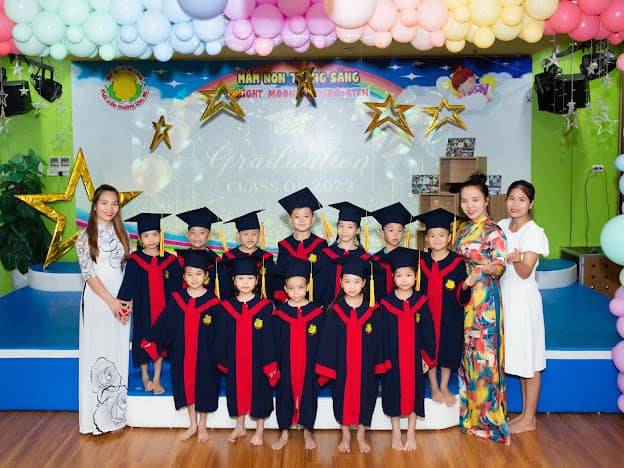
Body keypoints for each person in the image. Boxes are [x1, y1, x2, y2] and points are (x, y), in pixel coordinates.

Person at [453, 173, 509, 444]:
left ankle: (491, 423)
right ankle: (470, 419)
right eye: (465, 201)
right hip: (465, 299)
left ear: (486, 200)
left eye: (475, 200)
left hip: (485, 300)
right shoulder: (463, 229)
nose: (470, 205)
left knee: (486, 359)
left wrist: (481, 270)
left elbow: (500, 266)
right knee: (468, 358)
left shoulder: (493, 231)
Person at [142, 250, 221, 442]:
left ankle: (203, 425)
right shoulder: (177, 299)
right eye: (189, 274)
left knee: (204, 388)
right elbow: (165, 324)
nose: (194, 278)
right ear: (184, 276)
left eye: (198, 274)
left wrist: (221, 355)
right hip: (182, 354)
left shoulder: (213, 302)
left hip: (205, 357)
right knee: (187, 388)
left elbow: (221, 332)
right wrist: (152, 340)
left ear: (206, 276)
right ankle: (192, 424)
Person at [316, 256, 388, 454]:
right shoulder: (335, 311)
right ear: (340, 282)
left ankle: (361, 434)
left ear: (364, 283)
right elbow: (327, 342)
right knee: (341, 396)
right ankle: (346, 434)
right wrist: (328, 368)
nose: (352, 286)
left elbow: (380, 340)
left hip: (366, 366)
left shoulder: (373, 310)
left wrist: (379, 364)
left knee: (367, 397)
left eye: (356, 282)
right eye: (347, 281)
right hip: (343, 366)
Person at [75, 184, 132, 435]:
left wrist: (126, 300)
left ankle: (116, 417)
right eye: (105, 203)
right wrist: (111, 302)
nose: (110, 208)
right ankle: (94, 421)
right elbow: (89, 275)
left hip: (121, 301)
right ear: (95, 206)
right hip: (98, 302)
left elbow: (127, 270)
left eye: (115, 203)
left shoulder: (123, 234)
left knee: (118, 351)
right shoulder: (84, 237)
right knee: (98, 355)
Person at [499, 180, 549, 434]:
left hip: (524, 301)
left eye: (521, 199)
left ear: (531, 204)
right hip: (505, 298)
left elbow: (525, 272)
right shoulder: (501, 226)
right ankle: (523, 415)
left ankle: (530, 418)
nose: (515, 204)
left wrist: (517, 260)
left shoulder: (534, 232)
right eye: (511, 198)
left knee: (530, 358)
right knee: (519, 358)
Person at [216, 254, 279, 446]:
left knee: (260, 393)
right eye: (241, 278)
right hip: (235, 360)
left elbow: (270, 338)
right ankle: (240, 426)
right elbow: (222, 336)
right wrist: (223, 359)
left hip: (258, 361)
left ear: (257, 280)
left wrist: (270, 363)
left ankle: (259, 429)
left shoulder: (265, 307)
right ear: (234, 281)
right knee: (236, 392)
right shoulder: (227, 307)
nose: (245, 282)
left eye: (250, 278)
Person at [117, 212, 182, 394]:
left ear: (161, 235)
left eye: (155, 234)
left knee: (160, 341)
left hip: (164, 310)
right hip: (143, 309)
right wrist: (125, 303)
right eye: (146, 236)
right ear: (139, 238)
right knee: (142, 339)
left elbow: (177, 287)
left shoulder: (170, 260)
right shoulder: (135, 260)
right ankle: (145, 376)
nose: (151, 239)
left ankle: (156, 379)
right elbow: (128, 285)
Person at [379, 247, 435, 452]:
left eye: (409, 275)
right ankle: (396, 432)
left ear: (416, 277)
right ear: (393, 277)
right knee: (392, 393)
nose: (404, 280)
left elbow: (428, 331)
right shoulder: (386, 304)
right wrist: (384, 360)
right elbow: (381, 336)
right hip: (393, 359)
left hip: (414, 358)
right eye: (399, 275)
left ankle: (411, 432)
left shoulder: (421, 301)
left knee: (415, 393)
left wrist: (426, 357)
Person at [416, 208, 473, 407]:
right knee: (428, 348)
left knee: (448, 349)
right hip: (427, 316)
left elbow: (462, 292)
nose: (437, 239)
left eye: (441, 235)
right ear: (426, 239)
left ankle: (444, 385)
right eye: (432, 235)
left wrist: (465, 286)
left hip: (450, 316)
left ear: (449, 238)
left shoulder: (457, 262)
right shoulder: (421, 262)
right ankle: (433, 385)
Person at [271, 259, 324, 451]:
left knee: (309, 396)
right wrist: (274, 366)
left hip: (309, 364)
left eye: (300, 287)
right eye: (291, 288)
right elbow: (273, 343)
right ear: (285, 288)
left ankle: (308, 431)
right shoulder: (280, 314)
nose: (296, 292)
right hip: (286, 364)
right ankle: (284, 431)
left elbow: (323, 342)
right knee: (284, 395)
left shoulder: (316, 313)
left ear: (307, 287)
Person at [275, 187, 328, 302]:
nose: (302, 220)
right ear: (290, 220)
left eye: (306, 216)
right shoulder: (284, 245)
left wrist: (320, 300)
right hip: (289, 299)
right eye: (297, 217)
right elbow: (280, 274)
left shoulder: (321, 244)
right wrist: (281, 298)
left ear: (313, 219)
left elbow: (324, 275)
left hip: (314, 299)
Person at [317, 202, 371, 307]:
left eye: (350, 227)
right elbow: (319, 284)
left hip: (355, 310)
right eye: (341, 226)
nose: (344, 231)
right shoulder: (326, 254)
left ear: (358, 230)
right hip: (328, 309)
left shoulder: (365, 258)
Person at [222, 209, 277, 301]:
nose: (250, 238)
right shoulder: (228, 257)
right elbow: (225, 285)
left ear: (260, 234)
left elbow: (272, 284)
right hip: (235, 303)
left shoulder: (266, 257)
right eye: (245, 234)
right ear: (237, 235)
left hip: (261, 304)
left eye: (254, 234)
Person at [176, 207, 231, 298]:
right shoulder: (179, 259)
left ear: (208, 235)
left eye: (202, 233)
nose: (197, 237)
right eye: (193, 232)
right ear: (188, 235)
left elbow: (224, 291)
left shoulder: (217, 262)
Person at [370, 202, 414, 302]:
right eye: (391, 230)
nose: (395, 234)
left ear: (404, 233)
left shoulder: (411, 258)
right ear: (382, 233)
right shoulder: (374, 261)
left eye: (399, 231)